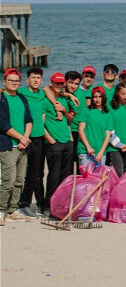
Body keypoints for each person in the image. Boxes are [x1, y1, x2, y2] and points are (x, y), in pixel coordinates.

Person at [0, 68, 33, 224]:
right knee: (9, 180)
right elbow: (2, 124)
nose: (14, 83)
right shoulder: (1, 99)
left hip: (22, 145)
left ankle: (12, 209)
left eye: (16, 81)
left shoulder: (21, 97)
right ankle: (1, 210)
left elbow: (29, 119)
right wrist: (20, 137)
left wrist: (25, 138)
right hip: (8, 145)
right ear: (4, 82)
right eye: (11, 80)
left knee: (19, 180)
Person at [41, 73, 73, 216]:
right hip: (54, 143)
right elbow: (40, 123)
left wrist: (64, 111)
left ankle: (61, 206)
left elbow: (69, 120)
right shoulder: (45, 100)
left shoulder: (64, 100)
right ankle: (48, 206)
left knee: (65, 177)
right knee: (53, 175)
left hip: (67, 142)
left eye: (61, 83)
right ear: (51, 83)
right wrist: (50, 139)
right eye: (56, 83)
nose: (59, 86)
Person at [18, 67, 47, 218]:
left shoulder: (42, 94)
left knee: (39, 173)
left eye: (38, 78)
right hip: (26, 137)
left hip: (40, 137)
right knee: (26, 172)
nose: (36, 80)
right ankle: (24, 203)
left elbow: (53, 91)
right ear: (27, 79)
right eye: (33, 77)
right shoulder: (21, 93)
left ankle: (41, 204)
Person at [77, 86, 112, 169]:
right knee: (87, 176)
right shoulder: (86, 110)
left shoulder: (107, 113)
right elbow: (81, 130)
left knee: (99, 176)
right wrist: (88, 147)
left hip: (100, 152)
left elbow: (108, 135)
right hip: (85, 151)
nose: (97, 99)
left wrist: (101, 152)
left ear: (103, 98)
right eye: (95, 97)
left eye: (100, 97)